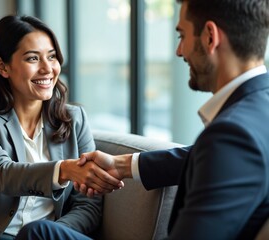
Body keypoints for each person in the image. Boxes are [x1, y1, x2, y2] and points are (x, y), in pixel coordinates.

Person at [76, 0, 269, 239]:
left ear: (210, 37)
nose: (180, 51)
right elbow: (200, 156)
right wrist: (121, 165)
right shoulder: (259, 110)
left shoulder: (232, 136)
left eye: (182, 35)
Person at [0, 15, 120, 240]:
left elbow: (88, 205)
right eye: (33, 58)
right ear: (3, 67)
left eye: (52, 57)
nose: (47, 69)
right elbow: (2, 174)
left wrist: (50, 234)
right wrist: (64, 170)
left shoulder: (75, 119)